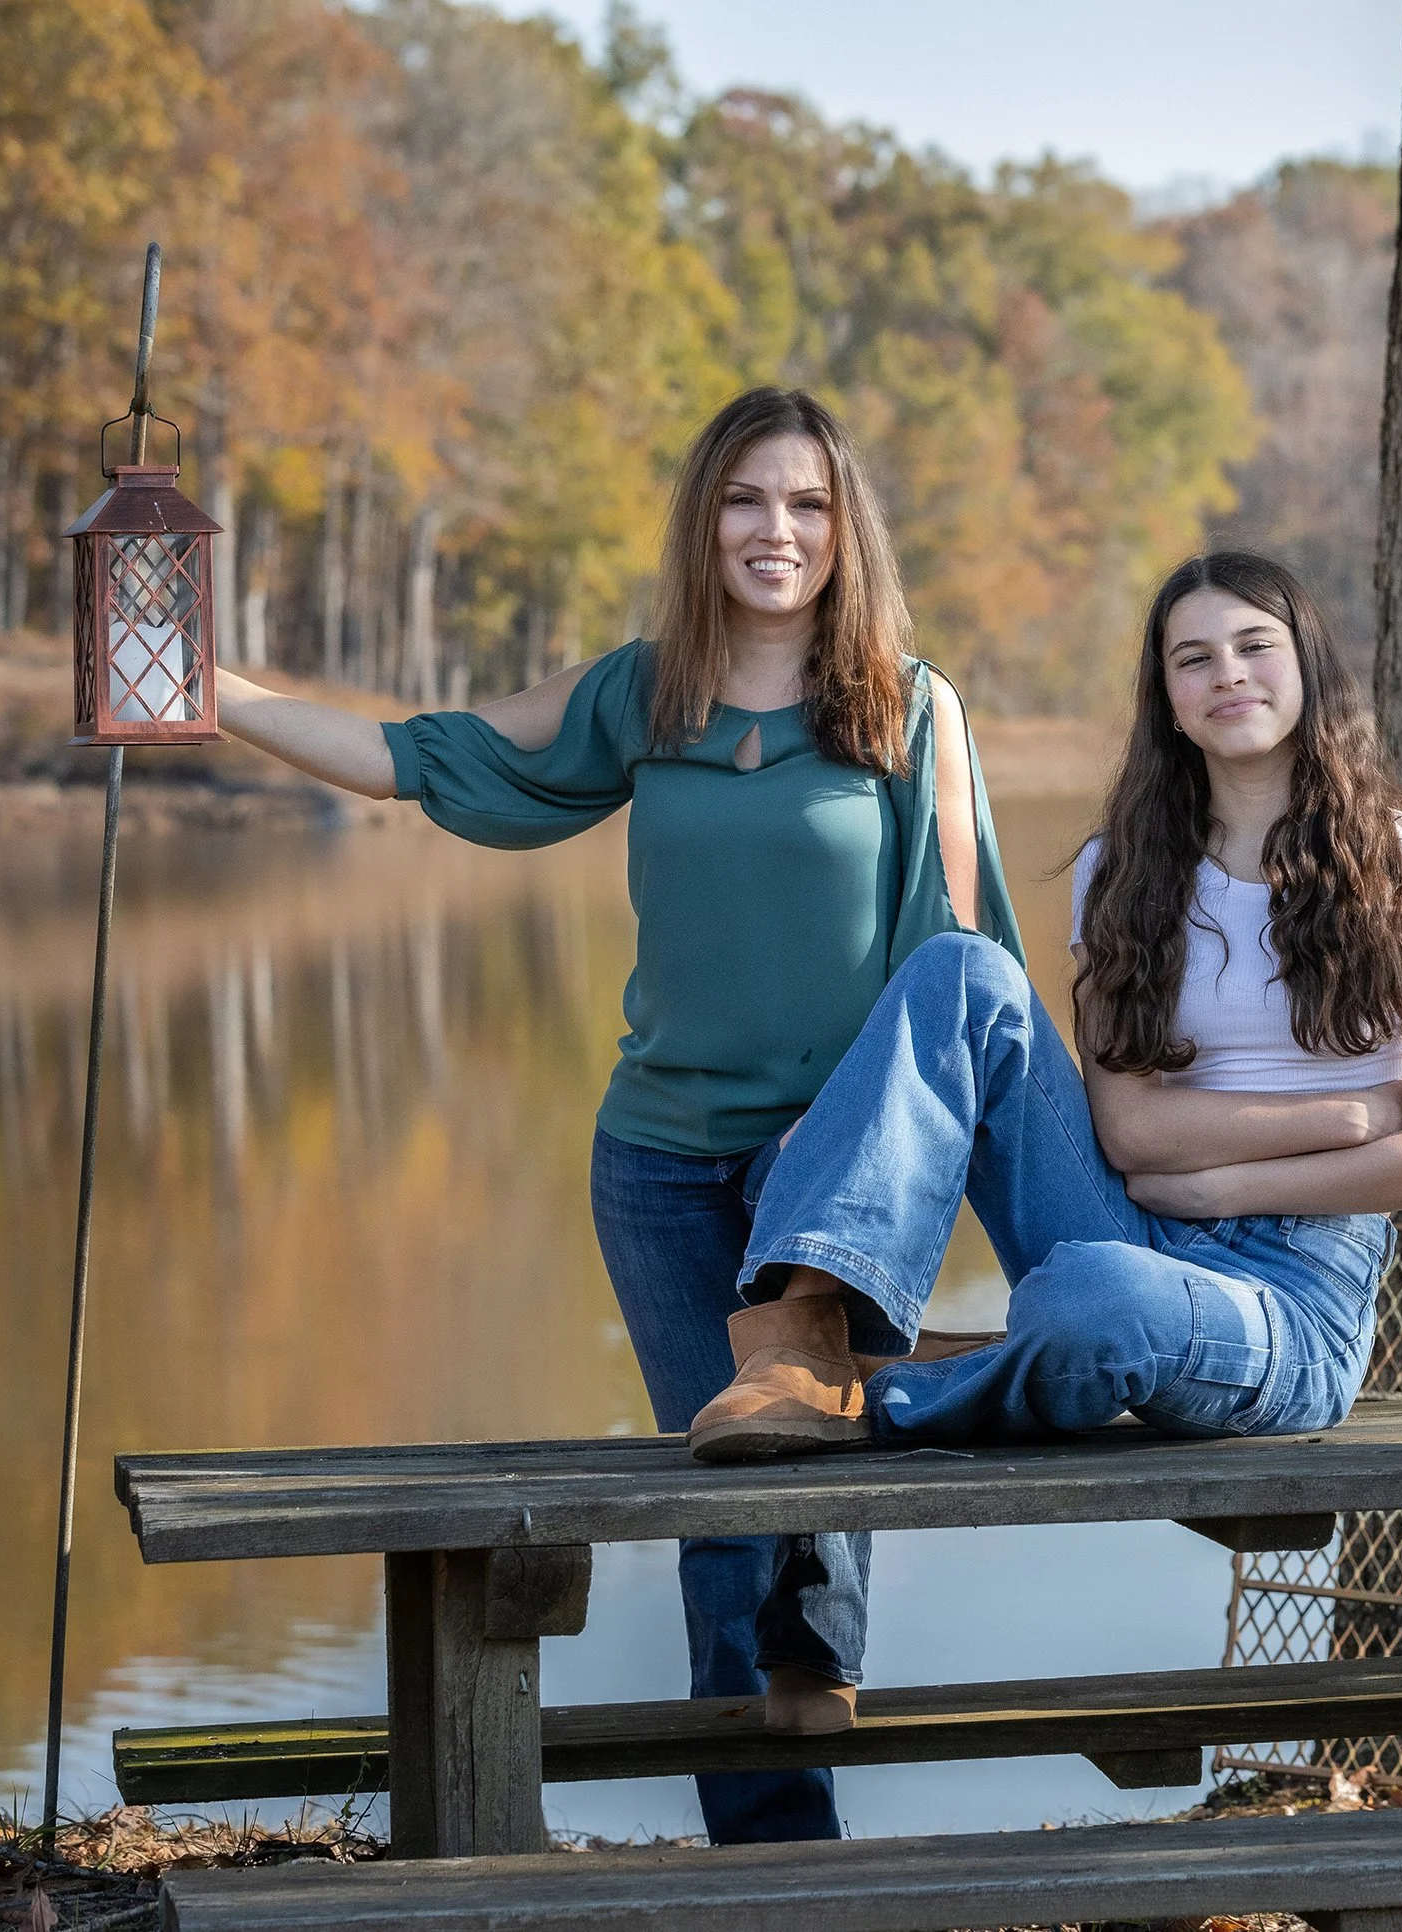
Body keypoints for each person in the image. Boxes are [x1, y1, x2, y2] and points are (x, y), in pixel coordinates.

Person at [208, 387, 1023, 1842]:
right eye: (746, 500)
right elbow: (422, 756)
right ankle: (769, 1848)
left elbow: (964, 974)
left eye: (809, 504)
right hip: (654, 1158)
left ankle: (799, 1736)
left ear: (848, 533)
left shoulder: (912, 709)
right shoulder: (645, 693)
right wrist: (207, 691)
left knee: (789, 1473)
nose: (777, 530)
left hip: (825, 1163)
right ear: (703, 520)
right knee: (722, 1483)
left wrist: (932, 1184)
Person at [685, 549, 1402, 1482]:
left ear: (1308, 663)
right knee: (961, 971)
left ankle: (923, 1384)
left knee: (1094, 1300)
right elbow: (1131, 1128)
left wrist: (1214, 1192)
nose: (1227, 671)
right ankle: (805, 1335)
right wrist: (1355, 1115)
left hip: (1296, 1297)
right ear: (1168, 698)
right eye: (1193, 658)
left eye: (1254, 645)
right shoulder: (1122, 873)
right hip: (1127, 1216)